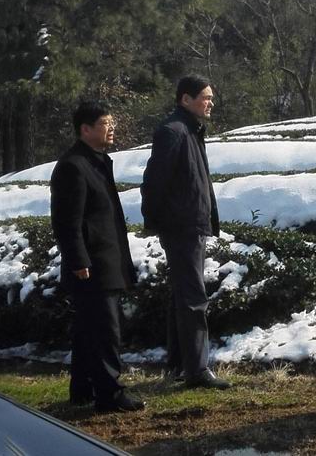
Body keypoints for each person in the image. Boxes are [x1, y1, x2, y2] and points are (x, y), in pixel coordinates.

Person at [50, 101, 145, 412]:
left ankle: (83, 389)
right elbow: (67, 221)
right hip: (92, 265)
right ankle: (110, 394)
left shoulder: (97, 162)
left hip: (105, 259)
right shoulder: (73, 166)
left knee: (88, 330)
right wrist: (78, 260)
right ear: (85, 129)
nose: (112, 128)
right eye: (105, 123)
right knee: (105, 331)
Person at [141, 74, 231, 390]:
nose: (210, 103)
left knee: (183, 294)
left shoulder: (190, 130)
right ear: (186, 99)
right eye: (205, 97)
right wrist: (158, 219)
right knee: (193, 297)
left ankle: (179, 364)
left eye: (210, 97)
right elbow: (154, 181)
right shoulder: (173, 131)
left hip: (189, 224)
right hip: (182, 226)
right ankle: (197, 370)